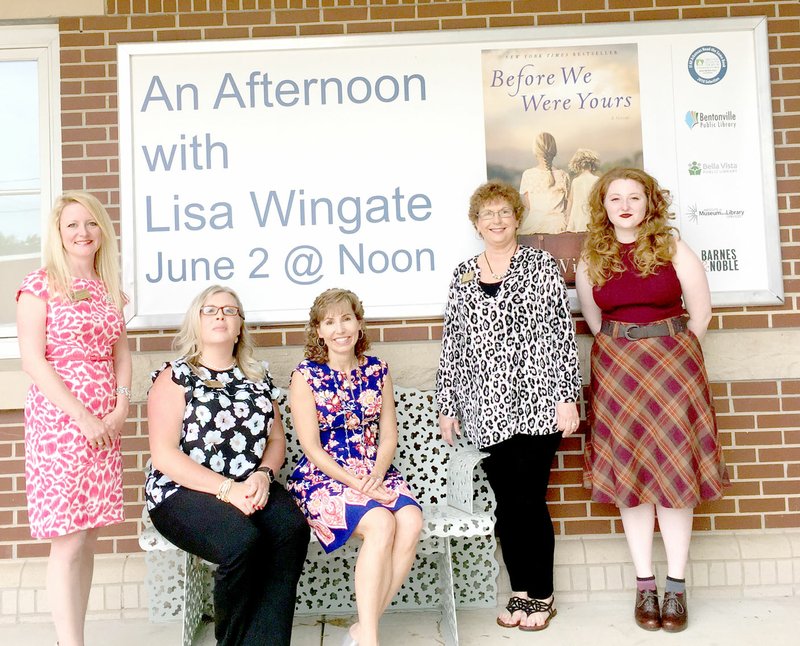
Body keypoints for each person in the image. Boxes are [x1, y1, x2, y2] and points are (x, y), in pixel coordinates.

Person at [576, 168, 729, 633]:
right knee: (632, 471)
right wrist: (630, 349)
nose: (625, 206)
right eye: (615, 198)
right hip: (619, 369)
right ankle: (645, 586)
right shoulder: (592, 258)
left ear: (649, 204)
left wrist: (671, 351)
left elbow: (700, 313)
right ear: (604, 207)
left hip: (673, 369)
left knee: (675, 469)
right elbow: (595, 320)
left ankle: (676, 587)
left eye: (634, 198)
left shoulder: (673, 249)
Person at [436, 180, 582, 632]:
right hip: (485, 407)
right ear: (476, 223)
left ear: (517, 217)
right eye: (487, 214)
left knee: (529, 499)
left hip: (538, 403)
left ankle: (542, 593)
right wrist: (449, 404)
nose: (496, 220)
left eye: (504, 212)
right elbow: (453, 344)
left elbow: (560, 335)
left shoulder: (539, 266)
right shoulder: (463, 274)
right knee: (507, 502)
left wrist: (566, 397)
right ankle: (519, 590)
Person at [146, 285, 309, 646]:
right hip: (182, 491)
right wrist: (227, 490)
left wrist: (264, 475)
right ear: (196, 321)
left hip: (248, 484)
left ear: (240, 327)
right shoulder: (174, 377)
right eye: (210, 310)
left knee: (289, 530)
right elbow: (164, 454)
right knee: (241, 541)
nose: (220, 315)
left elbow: (276, 440)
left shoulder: (257, 378)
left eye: (230, 311)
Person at [16, 191, 131, 646]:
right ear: (58, 235)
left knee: (88, 537)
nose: (82, 232)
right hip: (61, 423)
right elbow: (33, 361)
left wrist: (121, 406)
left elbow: (120, 352)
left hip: (106, 423)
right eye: (72, 225)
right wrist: (82, 415)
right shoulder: (39, 285)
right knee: (67, 537)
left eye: (91, 223)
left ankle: (74, 636)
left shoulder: (110, 290)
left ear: (101, 230)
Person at [287, 288, 422, 646]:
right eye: (329, 322)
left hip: (373, 471)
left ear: (359, 323)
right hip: (323, 478)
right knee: (381, 522)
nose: (339, 328)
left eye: (346, 318)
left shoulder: (378, 371)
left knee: (410, 520)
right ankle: (371, 641)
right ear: (318, 331)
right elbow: (312, 449)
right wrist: (356, 482)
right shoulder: (306, 376)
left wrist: (376, 473)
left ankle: (363, 630)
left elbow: (388, 436)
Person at [518, 132, 570, 235]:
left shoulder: (528, 175)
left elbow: (528, 204)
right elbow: (566, 205)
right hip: (559, 228)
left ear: (536, 151)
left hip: (534, 226)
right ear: (554, 151)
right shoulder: (563, 175)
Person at [565, 148, 601, 233]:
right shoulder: (596, 180)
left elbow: (570, 201)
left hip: (577, 216)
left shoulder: (576, 181)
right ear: (592, 165)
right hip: (591, 214)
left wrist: (568, 217)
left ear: (578, 165)